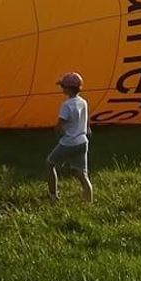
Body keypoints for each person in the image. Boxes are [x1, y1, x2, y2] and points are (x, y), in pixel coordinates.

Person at [47, 72, 93, 203]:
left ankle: (53, 195)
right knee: (83, 174)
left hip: (69, 142)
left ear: (68, 88)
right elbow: (86, 121)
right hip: (82, 142)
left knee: (50, 163)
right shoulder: (83, 102)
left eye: (63, 86)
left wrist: (58, 134)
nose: (62, 88)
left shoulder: (66, 105)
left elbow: (60, 125)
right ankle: (89, 201)